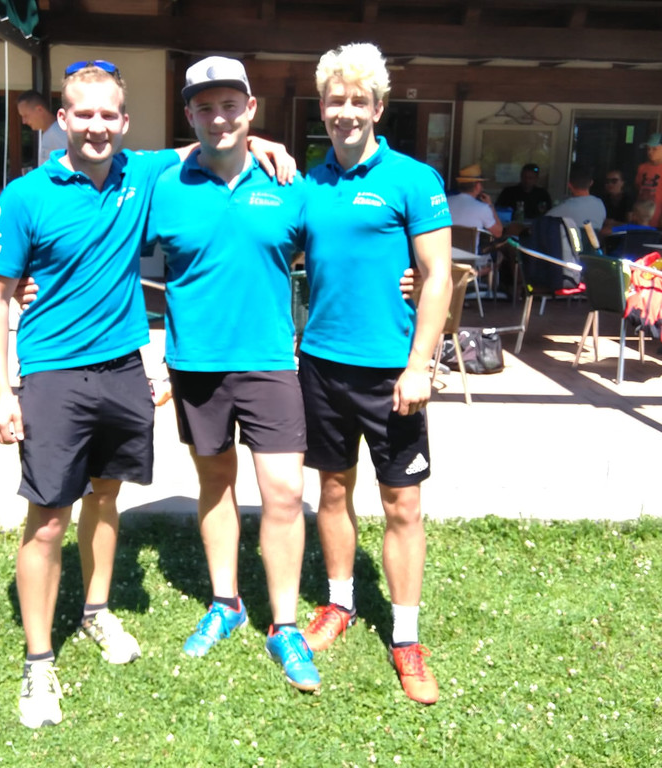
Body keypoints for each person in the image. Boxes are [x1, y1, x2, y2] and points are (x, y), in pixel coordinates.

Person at [0, 61, 293, 729]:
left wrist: (262, 141)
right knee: (48, 518)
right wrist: (0, 391)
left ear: (124, 122)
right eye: (83, 114)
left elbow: (210, 143)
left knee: (105, 496)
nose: (96, 126)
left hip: (123, 368)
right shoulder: (27, 195)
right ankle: (38, 661)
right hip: (53, 372)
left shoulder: (140, 173)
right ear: (63, 119)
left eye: (108, 115)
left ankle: (94, 611)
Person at [147, 56, 320, 693]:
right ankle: (227, 602)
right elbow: (102, 239)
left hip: (271, 363)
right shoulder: (163, 184)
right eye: (204, 107)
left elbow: (339, 249)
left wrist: (406, 279)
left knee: (283, 493)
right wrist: (31, 281)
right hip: (196, 365)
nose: (218, 117)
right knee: (215, 482)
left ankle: (285, 624)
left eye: (230, 106)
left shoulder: (289, 184)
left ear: (251, 109)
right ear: (189, 114)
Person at [298, 43, 452, 706]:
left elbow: (439, 276)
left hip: (393, 372)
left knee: (402, 504)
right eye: (336, 100)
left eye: (358, 100)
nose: (346, 112)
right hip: (321, 365)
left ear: (378, 108)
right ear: (323, 107)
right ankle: (340, 602)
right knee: (332, 492)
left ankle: (407, 637)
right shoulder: (307, 183)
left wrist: (420, 364)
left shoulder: (413, 179)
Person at [447, 163, 503, 241]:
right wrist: (491, 206)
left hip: (446, 248)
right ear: (477, 186)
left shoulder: (446, 202)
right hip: (469, 249)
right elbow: (498, 233)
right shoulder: (483, 208)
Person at [546, 164, 606, 231]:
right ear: (591, 183)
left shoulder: (564, 208)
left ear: (569, 185)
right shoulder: (600, 204)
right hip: (594, 238)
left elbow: (543, 222)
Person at [16, 89, 67, 165]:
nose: (24, 121)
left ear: (39, 110)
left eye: (26, 116)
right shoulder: (49, 133)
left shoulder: (59, 132)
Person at [635, 132, 662, 228]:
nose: (650, 152)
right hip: (640, 220)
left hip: (658, 221)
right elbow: (638, 188)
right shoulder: (642, 168)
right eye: (648, 149)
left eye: (654, 149)